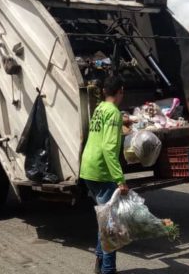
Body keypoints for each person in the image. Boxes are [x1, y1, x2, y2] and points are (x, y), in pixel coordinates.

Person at [80, 76, 128, 274]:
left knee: (104, 221)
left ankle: (100, 264)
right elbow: (109, 148)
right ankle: (108, 269)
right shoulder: (114, 113)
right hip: (102, 171)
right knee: (110, 227)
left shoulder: (100, 108)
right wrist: (120, 180)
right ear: (120, 92)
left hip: (88, 168)